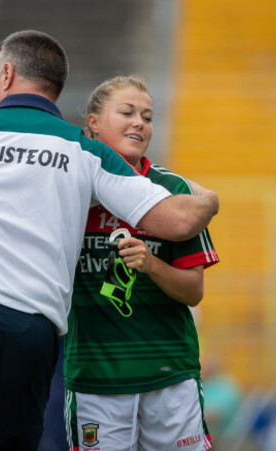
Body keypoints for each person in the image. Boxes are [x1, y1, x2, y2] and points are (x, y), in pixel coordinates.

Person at [0, 30, 219, 451]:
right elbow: (176, 221)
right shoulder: (82, 149)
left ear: (6, 74)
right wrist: (210, 199)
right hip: (31, 326)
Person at [64, 75, 220, 451]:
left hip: (169, 375)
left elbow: (194, 291)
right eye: (128, 112)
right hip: (95, 380)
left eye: (147, 117)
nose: (140, 123)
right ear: (94, 122)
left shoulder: (174, 192)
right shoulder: (67, 187)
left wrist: (151, 265)